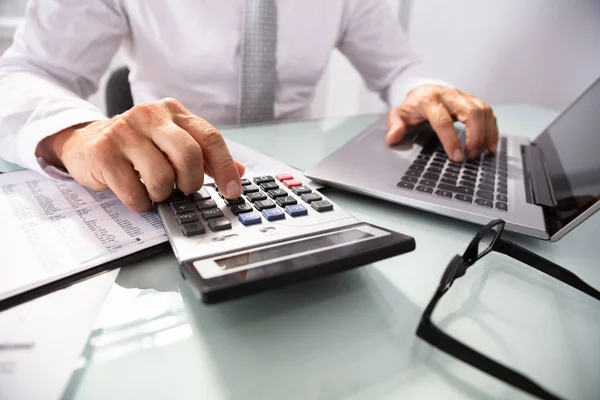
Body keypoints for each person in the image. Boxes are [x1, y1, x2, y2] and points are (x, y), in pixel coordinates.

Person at [0, 0, 498, 212]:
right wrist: (75, 132)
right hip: (166, 178)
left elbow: (396, 70)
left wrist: (422, 88)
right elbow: (26, 71)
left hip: (298, 178)